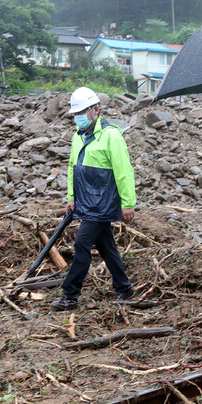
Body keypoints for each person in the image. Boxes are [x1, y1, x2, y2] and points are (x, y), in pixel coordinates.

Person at [51, 87, 136, 311]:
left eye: (81, 112)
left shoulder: (111, 135)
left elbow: (124, 171)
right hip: (87, 203)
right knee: (106, 245)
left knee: (81, 244)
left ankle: (70, 295)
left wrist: (127, 204)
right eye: (75, 114)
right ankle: (124, 289)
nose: (77, 118)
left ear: (95, 110)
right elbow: (73, 168)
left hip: (103, 203)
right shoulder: (78, 137)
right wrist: (72, 197)